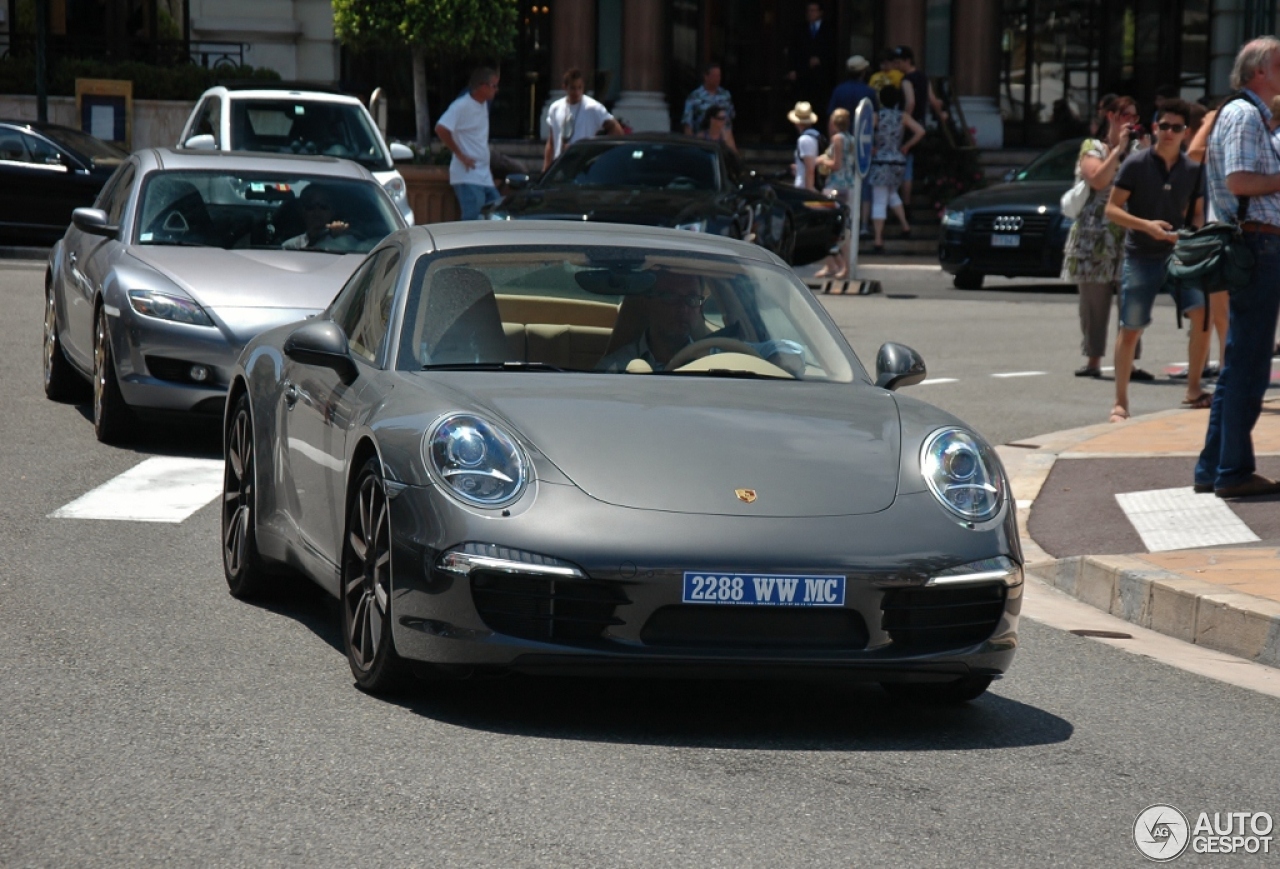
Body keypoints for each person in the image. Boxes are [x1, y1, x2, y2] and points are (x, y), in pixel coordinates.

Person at [1194, 37, 1280, 498]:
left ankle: (1215, 467)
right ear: (1258, 73)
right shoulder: (1246, 115)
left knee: (1239, 360)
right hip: (1257, 245)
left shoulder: (1253, 116)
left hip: (1253, 245)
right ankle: (1233, 471)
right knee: (1248, 361)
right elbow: (1240, 180)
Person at [1105, 98, 1209, 424]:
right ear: (1154, 127)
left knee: (1202, 316)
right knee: (1131, 327)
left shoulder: (1193, 170)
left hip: (1179, 255)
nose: (1169, 132)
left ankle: (1193, 389)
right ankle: (1120, 403)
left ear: (1186, 133)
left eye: (1176, 128)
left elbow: (1198, 214)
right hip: (1140, 255)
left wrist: (1190, 234)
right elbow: (1112, 209)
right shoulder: (1136, 164)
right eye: (1163, 126)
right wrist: (1146, 225)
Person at [1061, 95, 1149, 379]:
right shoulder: (1093, 147)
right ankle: (1094, 360)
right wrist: (1118, 149)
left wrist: (1146, 152)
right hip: (1095, 233)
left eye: (1135, 118)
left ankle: (1129, 362)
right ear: (1111, 116)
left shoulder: (1138, 150)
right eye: (1126, 117)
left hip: (1129, 229)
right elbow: (1097, 179)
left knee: (1132, 298)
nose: (1131, 123)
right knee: (1094, 302)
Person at [435, 67, 502, 220]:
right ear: (482, 86)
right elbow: (441, 128)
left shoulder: (484, 104)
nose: (496, 90)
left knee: (497, 213)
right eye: (493, 85)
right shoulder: (461, 106)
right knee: (472, 222)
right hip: (467, 175)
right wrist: (461, 155)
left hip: (484, 175)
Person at [866, 84, 922, 254]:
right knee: (891, 193)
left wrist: (871, 147)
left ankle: (878, 239)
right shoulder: (902, 116)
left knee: (879, 199)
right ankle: (905, 225)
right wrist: (906, 146)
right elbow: (920, 131)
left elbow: (864, 133)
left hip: (880, 160)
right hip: (897, 160)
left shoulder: (876, 116)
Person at [892, 45, 947, 207]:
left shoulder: (906, 80)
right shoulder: (923, 77)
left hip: (910, 126)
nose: (897, 65)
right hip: (921, 123)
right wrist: (941, 114)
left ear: (907, 61)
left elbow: (910, 101)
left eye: (899, 62)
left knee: (905, 167)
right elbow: (933, 100)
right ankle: (906, 203)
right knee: (909, 165)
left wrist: (904, 121)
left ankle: (905, 203)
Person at [543, 68, 622, 171]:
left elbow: (617, 130)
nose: (577, 92)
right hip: (560, 165)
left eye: (580, 88)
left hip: (583, 168)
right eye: (573, 88)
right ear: (565, 88)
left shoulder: (593, 108)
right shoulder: (555, 108)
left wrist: (595, 152)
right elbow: (551, 142)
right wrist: (546, 168)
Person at [815, 108, 855, 280]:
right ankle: (834, 264)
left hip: (836, 186)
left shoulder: (837, 139)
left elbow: (836, 164)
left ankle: (840, 266)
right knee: (841, 227)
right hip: (848, 184)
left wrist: (822, 160)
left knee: (829, 225)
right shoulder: (851, 139)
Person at [788, 2, 837, 112]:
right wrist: (792, 69)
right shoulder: (800, 29)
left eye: (813, 11)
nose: (811, 13)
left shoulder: (828, 29)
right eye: (809, 11)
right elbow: (793, 50)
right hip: (803, 73)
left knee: (820, 104)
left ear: (820, 13)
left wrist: (821, 60)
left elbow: (833, 50)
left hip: (822, 75)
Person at [282, 184, 360, 251]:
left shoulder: (348, 243)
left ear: (332, 211)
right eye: (310, 207)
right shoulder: (290, 246)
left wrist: (340, 237)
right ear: (303, 212)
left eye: (323, 206)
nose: (317, 212)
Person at [681, 63, 736, 142]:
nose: (718, 79)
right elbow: (688, 123)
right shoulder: (694, 96)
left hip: (723, 141)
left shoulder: (726, 95)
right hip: (703, 141)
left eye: (719, 76)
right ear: (706, 77)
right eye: (715, 76)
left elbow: (730, 117)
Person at [827, 55, 877, 119]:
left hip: (842, 128)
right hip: (861, 128)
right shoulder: (869, 92)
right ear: (863, 72)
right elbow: (874, 116)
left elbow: (831, 113)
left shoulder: (838, 90)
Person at [788, 101, 822, 190]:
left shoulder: (805, 139)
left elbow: (810, 169)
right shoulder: (814, 136)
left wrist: (809, 193)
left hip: (803, 187)